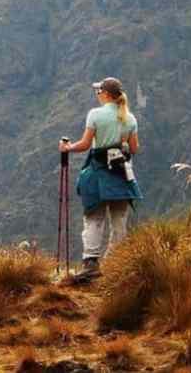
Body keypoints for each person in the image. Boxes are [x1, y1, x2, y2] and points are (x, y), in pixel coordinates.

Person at [58, 77, 141, 281]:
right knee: (119, 222)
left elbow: (85, 144)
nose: (97, 95)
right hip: (121, 174)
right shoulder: (130, 118)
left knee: (94, 217)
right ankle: (114, 265)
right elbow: (134, 148)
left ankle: (91, 264)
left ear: (105, 94)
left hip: (98, 172)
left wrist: (67, 148)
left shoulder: (95, 115)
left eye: (98, 92)